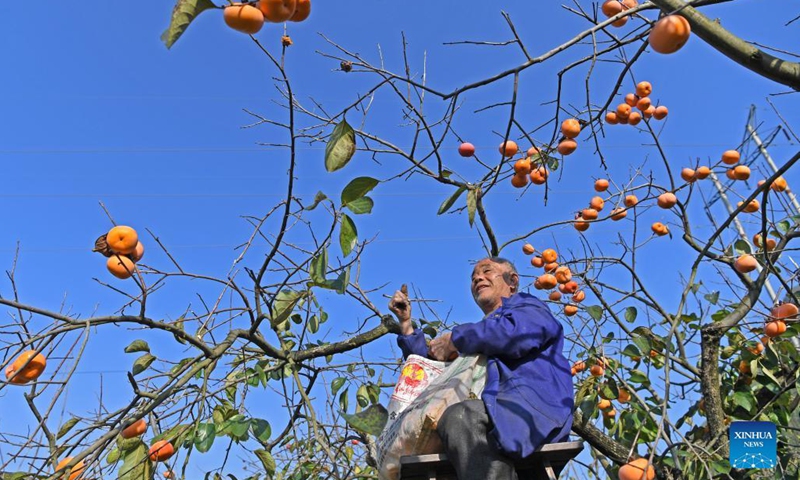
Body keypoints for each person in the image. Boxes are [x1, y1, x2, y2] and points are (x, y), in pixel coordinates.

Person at [388, 257, 574, 480]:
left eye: (487, 271)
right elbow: (432, 372)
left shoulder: (528, 308)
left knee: (460, 415)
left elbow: (514, 334)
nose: (477, 278)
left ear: (512, 281)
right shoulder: (477, 339)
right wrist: (407, 325)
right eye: (473, 276)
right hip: (488, 424)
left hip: (526, 411)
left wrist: (455, 339)